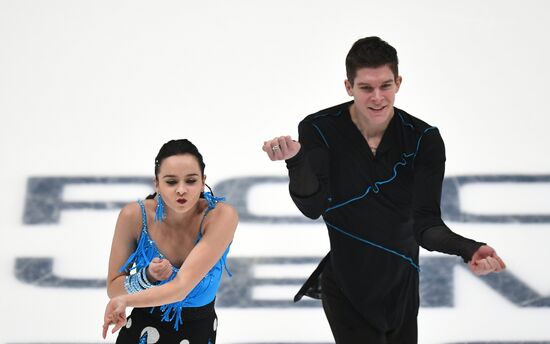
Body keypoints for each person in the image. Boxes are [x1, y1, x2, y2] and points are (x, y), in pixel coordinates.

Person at [262, 36, 506, 344]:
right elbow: (313, 207)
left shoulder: (423, 139)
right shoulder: (319, 129)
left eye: (385, 86)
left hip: (401, 285)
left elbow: (426, 224)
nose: (377, 97)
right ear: (349, 87)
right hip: (346, 284)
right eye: (366, 88)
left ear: (398, 82)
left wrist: (468, 248)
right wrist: (296, 162)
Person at [102, 139, 238, 344]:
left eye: (191, 181)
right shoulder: (134, 216)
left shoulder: (220, 216)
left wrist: (126, 300)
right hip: (141, 331)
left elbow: (181, 287)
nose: (181, 190)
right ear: (157, 183)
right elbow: (114, 288)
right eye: (171, 182)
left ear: (203, 181)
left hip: (198, 334)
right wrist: (146, 277)